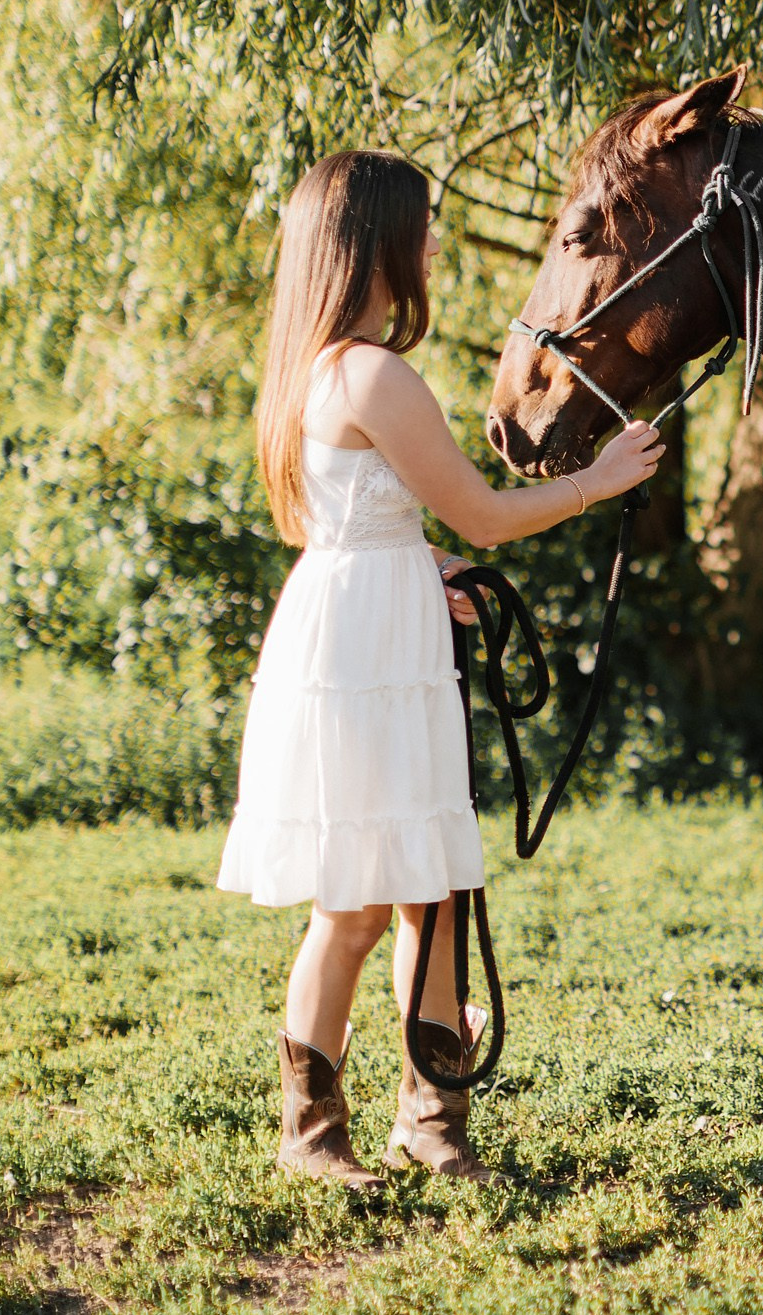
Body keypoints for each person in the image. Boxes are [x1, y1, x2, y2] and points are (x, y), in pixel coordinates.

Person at [217, 150, 661, 1186]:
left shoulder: (318, 367)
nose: (432, 243)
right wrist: (597, 482)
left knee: (409, 891)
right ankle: (370, 1131)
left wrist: (417, 561)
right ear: (375, 241)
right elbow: (485, 512)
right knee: (391, 893)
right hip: (372, 642)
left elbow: (354, 515)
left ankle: (385, 1127)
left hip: (359, 615)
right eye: (420, 225)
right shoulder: (373, 372)